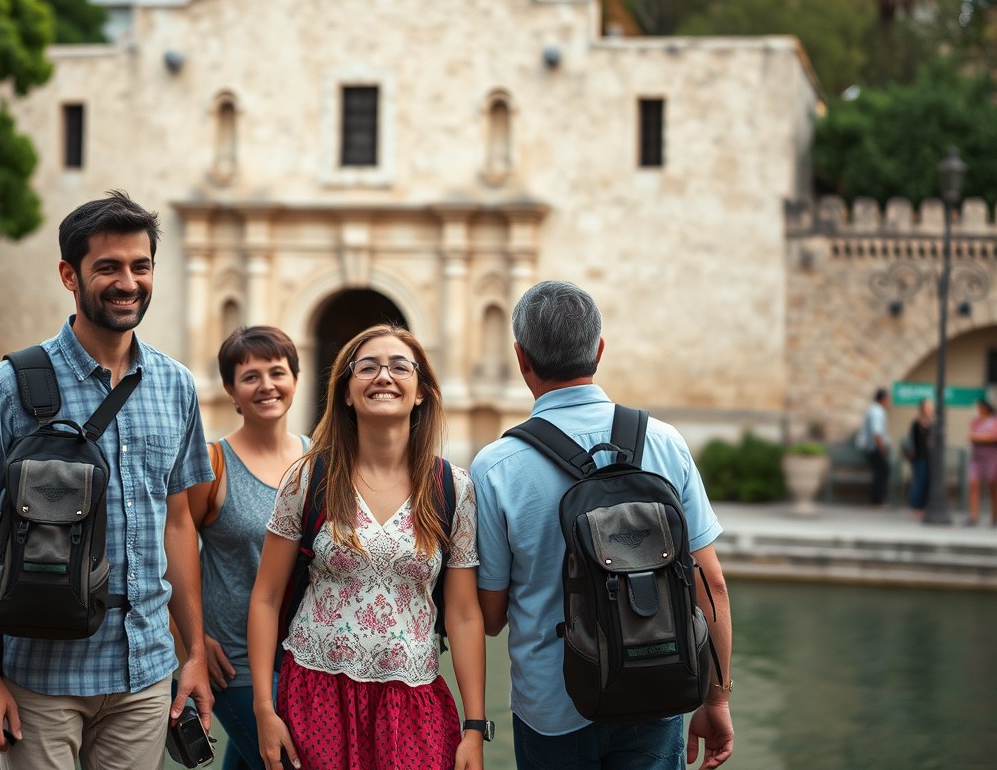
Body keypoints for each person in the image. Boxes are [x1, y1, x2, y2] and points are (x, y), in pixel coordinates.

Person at [0, 191, 214, 768]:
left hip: (144, 673)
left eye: (141, 266)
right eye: (108, 267)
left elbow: (178, 521)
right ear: (69, 274)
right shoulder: (9, 385)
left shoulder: (176, 385)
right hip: (40, 675)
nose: (128, 282)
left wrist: (193, 652)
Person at [471, 280, 733, 770]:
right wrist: (715, 699)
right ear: (599, 350)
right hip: (656, 687)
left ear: (520, 358)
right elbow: (711, 583)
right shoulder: (664, 442)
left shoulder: (495, 466)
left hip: (553, 707)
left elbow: (489, 618)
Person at [247, 324, 487, 770]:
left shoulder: (453, 488)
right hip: (315, 694)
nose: (383, 376)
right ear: (346, 392)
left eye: (400, 366)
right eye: (367, 367)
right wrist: (264, 707)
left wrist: (475, 727)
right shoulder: (307, 478)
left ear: (420, 392)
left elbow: (465, 613)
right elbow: (266, 597)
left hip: (412, 701)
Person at [185, 326, 309, 770]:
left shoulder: (318, 460)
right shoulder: (211, 463)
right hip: (232, 659)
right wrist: (191, 637)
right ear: (231, 390)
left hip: (302, 656)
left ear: (295, 378)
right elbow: (166, 556)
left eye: (277, 372)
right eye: (250, 376)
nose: (267, 386)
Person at [858, 388, 892, 508]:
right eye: (888, 399)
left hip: (873, 448)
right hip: (875, 448)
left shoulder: (874, 410)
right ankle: (876, 501)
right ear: (883, 399)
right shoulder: (877, 412)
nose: (889, 401)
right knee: (883, 472)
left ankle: (876, 500)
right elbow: (877, 433)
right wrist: (882, 449)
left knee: (880, 473)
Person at [965, 398, 997, 527]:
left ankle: (994, 516)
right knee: (973, 486)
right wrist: (982, 437)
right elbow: (970, 436)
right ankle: (973, 516)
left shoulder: (994, 421)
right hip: (976, 458)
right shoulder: (976, 422)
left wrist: (978, 437)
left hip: (992, 458)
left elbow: (993, 437)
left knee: (993, 489)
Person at [906, 398, 933, 516]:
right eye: (928, 407)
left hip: (929, 458)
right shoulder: (917, 423)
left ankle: (923, 507)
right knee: (919, 482)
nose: (930, 409)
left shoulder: (932, 423)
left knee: (926, 482)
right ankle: (916, 507)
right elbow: (911, 441)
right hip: (918, 457)